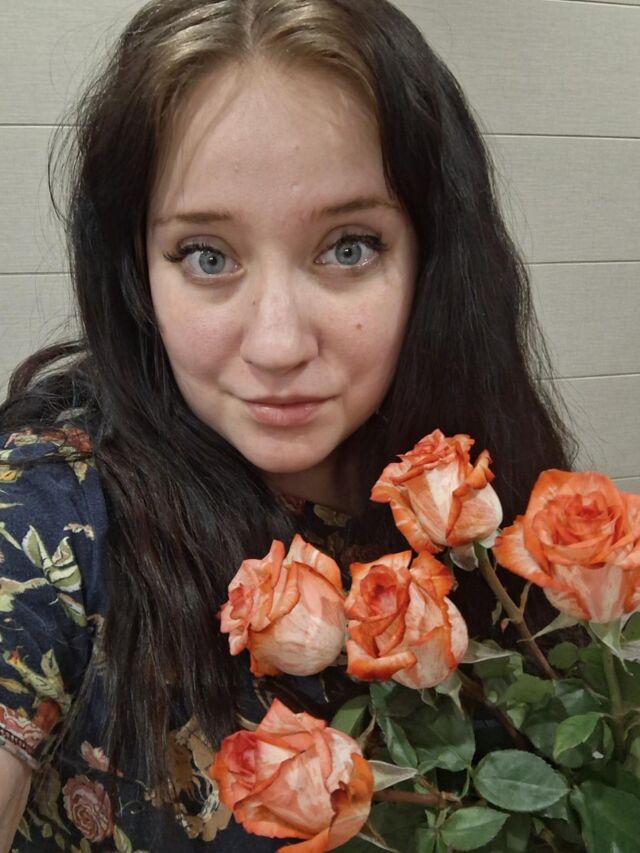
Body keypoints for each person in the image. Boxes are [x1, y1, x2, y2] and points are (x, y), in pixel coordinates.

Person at [0, 0, 575, 849]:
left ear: (433, 257)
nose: (277, 344)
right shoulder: (47, 513)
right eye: (207, 256)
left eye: (348, 247)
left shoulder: (484, 495)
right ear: (136, 272)